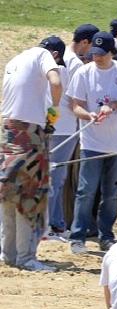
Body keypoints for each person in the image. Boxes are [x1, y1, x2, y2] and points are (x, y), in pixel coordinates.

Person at [0, 36, 63, 271]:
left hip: (8, 130)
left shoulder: (15, 59)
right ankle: (26, 258)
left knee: (8, 192)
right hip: (30, 133)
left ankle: (8, 254)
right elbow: (55, 83)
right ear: (55, 55)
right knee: (29, 195)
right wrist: (52, 112)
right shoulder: (44, 56)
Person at [66, 31, 117, 254]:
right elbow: (75, 105)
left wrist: (113, 104)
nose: (97, 57)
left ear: (112, 52)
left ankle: (106, 235)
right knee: (86, 191)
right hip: (91, 143)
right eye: (94, 53)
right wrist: (88, 115)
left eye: (102, 54)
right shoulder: (83, 73)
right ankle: (78, 236)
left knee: (111, 194)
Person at [45, 24, 100, 240]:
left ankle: (57, 223)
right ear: (85, 42)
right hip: (64, 127)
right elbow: (73, 101)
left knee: (55, 176)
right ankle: (50, 225)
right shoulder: (76, 65)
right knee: (56, 177)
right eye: (92, 46)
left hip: (51, 124)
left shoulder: (55, 57)